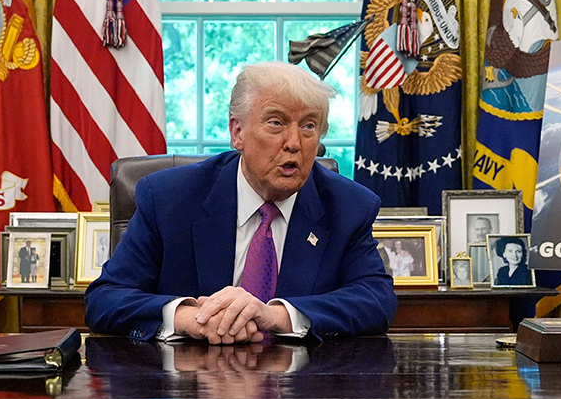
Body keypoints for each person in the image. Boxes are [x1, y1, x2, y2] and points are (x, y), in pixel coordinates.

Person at [85, 61, 397, 342]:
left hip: (302, 381)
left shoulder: (347, 206)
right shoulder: (169, 198)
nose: (294, 143)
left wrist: (275, 315)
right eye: (276, 123)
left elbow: (376, 300)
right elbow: (106, 299)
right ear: (238, 132)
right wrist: (190, 318)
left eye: (308, 126)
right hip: (189, 380)